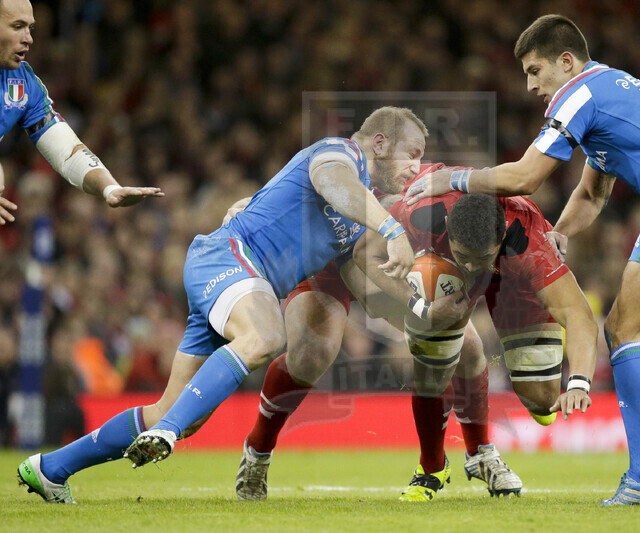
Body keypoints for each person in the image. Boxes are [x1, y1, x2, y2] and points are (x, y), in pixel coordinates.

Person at [17, 106, 463, 503]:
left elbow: (366, 280)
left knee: (172, 410)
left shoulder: (358, 218)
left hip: (238, 283)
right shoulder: (337, 153)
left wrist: (421, 310)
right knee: (266, 335)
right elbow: (334, 183)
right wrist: (392, 230)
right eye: (411, 154)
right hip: (229, 258)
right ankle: (168, 433)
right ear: (380, 143)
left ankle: (51, 468)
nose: (415, 167)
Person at [405, 14, 640, 505]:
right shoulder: (618, 92)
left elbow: (526, 177)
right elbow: (592, 193)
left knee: (621, 328)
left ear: (566, 61)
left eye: (535, 71)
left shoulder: (578, 94)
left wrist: (454, 179)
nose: (531, 86)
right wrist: (561, 233)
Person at [235, 164, 524, 503]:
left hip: (385, 268)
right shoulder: (346, 166)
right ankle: (257, 451)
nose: (412, 160)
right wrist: (253, 207)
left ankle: (477, 453)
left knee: (466, 346)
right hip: (331, 260)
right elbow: (303, 189)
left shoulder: (424, 196)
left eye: (416, 153)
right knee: (310, 355)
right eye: (408, 151)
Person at [358, 178, 598, 501]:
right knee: (434, 346)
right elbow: (364, 252)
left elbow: (580, 315)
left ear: (501, 237)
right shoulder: (419, 212)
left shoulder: (532, 243)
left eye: (480, 257)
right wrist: (419, 306)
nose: (471, 265)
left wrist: (580, 382)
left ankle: (484, 445)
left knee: (543, 401)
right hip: (444, 270)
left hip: (514, 275)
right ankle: (433, 466)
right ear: (446, 227)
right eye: (464, 254)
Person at [0, 0, 163, 225]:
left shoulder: (22, 84)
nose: (29, 38)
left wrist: (110, 188)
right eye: (17, 26)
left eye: (30, 28)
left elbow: (68, 152)